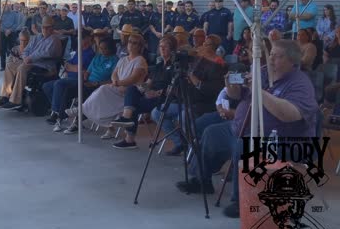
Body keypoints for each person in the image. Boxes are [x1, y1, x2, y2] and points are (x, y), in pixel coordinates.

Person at [182, 40, 318, 218]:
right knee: (211, 133)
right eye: (271, 55)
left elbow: (289, 114)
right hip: (241, 127)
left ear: (292, 61)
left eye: (278, 56)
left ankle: (242, 202)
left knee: (244, 147)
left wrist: (259, 91)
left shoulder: (300, 83)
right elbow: (238, 96)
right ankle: (202, 180)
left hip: (280, 139)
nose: (271, 59)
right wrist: (233, 88)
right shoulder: (262, 73)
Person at [70, 33, 148, 136]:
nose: (131, 45)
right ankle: (85, 111)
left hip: (130, 92)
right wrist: (115, 81)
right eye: (130, 42)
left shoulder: (140, 61)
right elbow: (114, 73)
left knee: (103, 89)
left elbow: (133, 79)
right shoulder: (123, 59)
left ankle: (82, 109)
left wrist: (118, 83)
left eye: (135, 43)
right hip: (117, 89)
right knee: (102, 91)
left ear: (140, 46)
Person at [111, 36, 177, 148]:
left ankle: (129, 138)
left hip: (165, 97)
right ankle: (127, 122)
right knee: (132, 90)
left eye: (165, 47)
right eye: (160, 46)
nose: (162, 49)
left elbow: (175, 87)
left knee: (133, 105)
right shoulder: (158, 66)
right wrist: (144, 89)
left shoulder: (175, 66)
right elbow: (148, 83)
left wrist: (157, 93)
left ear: (172, 49)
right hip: (151, 95)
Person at [0, 16, 63, 110]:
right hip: (30, 62)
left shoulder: (54, 40)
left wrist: (30, 58)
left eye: (48, 27)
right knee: (10, 65)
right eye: (43, 27)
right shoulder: (37, 37)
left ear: (52, 28)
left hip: (44, 66)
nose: (45, 29)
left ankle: (16, 100)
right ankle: (6, 95)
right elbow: (26, 50)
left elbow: (47, 53)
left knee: (22, 68)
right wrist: (25, 58)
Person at [43, 30, 96, 131]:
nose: (80, 40)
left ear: (88, 39)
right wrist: (73, 67)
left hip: (78, 80)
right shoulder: (78, 51)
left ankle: (56, 114)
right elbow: (67, 65)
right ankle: (61, 108)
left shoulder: (90, 54)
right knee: (47, 86)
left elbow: (83, 70)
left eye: (83, 38)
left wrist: (73, 68)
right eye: (79, 38)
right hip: (68, 78)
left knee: (59, 83)